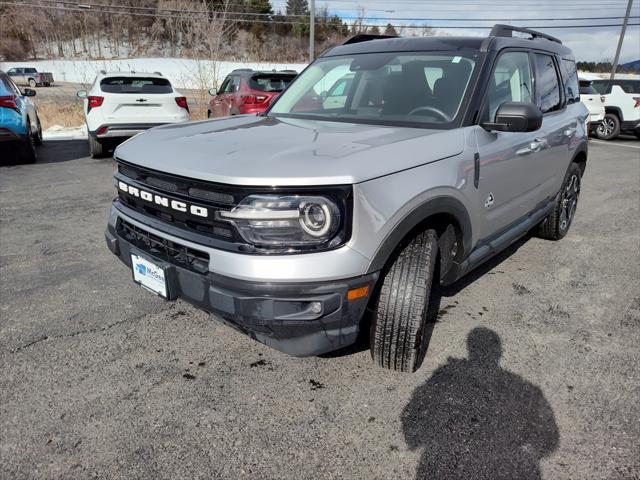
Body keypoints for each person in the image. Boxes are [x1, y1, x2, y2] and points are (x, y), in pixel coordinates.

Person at [402, 327, 559, 480]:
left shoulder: (447, 376)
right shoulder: (526, 389)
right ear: (499, 352)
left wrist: (416, 439)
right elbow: (550, 441)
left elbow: (412, 413)